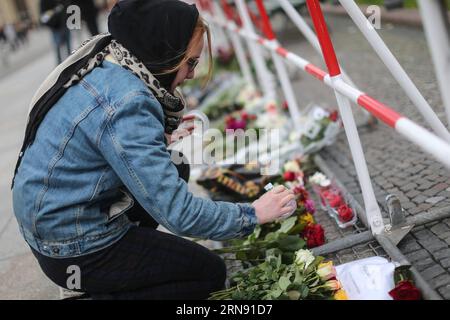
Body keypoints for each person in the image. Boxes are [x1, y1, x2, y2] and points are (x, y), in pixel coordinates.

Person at [12, 0, 296, 300]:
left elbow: (99, 135)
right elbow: (179, 214)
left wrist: (155, 139)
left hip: (49, 221)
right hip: (71, 248)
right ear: (164, 53)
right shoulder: (128, 101)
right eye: (191, 63)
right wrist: (253, 214)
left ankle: (132, 260)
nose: (189, 75)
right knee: (208, 272)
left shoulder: (110, 57)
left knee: (176, 164)